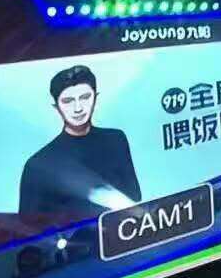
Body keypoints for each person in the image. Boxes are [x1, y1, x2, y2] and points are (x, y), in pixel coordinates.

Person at [18, 65, 141, 218]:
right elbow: (29, 224)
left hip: (122, 229)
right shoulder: (38, 164)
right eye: (68, 101)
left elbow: (135, 197)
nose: (78, 108)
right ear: (56, 107)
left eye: (85, 97)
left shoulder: (116, 139)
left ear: (95, 98)